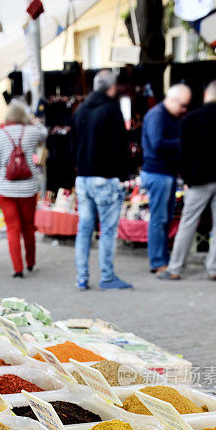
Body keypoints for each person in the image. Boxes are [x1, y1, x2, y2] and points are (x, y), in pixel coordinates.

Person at [159, 80, 216, 281]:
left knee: (188, 222)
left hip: (199, 180)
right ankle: (214, 269)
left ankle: (175, 268)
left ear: (206, 94)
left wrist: (187, 179)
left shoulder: (189, 120)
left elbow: (184, 154)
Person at [72, 70, 132, 291]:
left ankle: (81, 277)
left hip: (83, 178)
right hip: (104, 179)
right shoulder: (111, 110)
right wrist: (124, 176)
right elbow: (120, 146)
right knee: (106, 230)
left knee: (84, 229)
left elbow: (73, 147)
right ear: (112, 87)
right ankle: (106, 277)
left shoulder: (80, 110)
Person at [0, 101, 47, 277]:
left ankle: (17, 269)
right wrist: (34, 121)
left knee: (13, 228)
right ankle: (31, 263)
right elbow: (45, 133)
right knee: (28, 227)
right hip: (28, 189)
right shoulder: (32, 131)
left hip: (6, 190)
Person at [141, 83, 192, 273]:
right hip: (158, 173)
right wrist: (182, 142)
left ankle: (162, 257)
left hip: (165, 173)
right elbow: (157, 144)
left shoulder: (167, 115)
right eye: (182, 105)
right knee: (159, 218)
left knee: (165, 218)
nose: (184, 110)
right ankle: (157, 261)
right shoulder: (157, 115)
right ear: (172, 100)